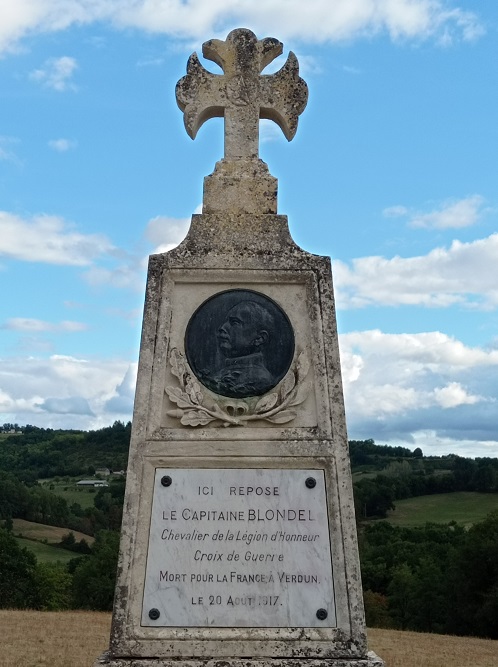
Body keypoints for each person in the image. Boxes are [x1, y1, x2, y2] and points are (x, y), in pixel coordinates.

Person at [211, 300, 275, 397]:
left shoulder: (260, 379)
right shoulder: (220, 374)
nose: (222, 327)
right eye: (226, 322)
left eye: (235, 322)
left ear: (259, 338)